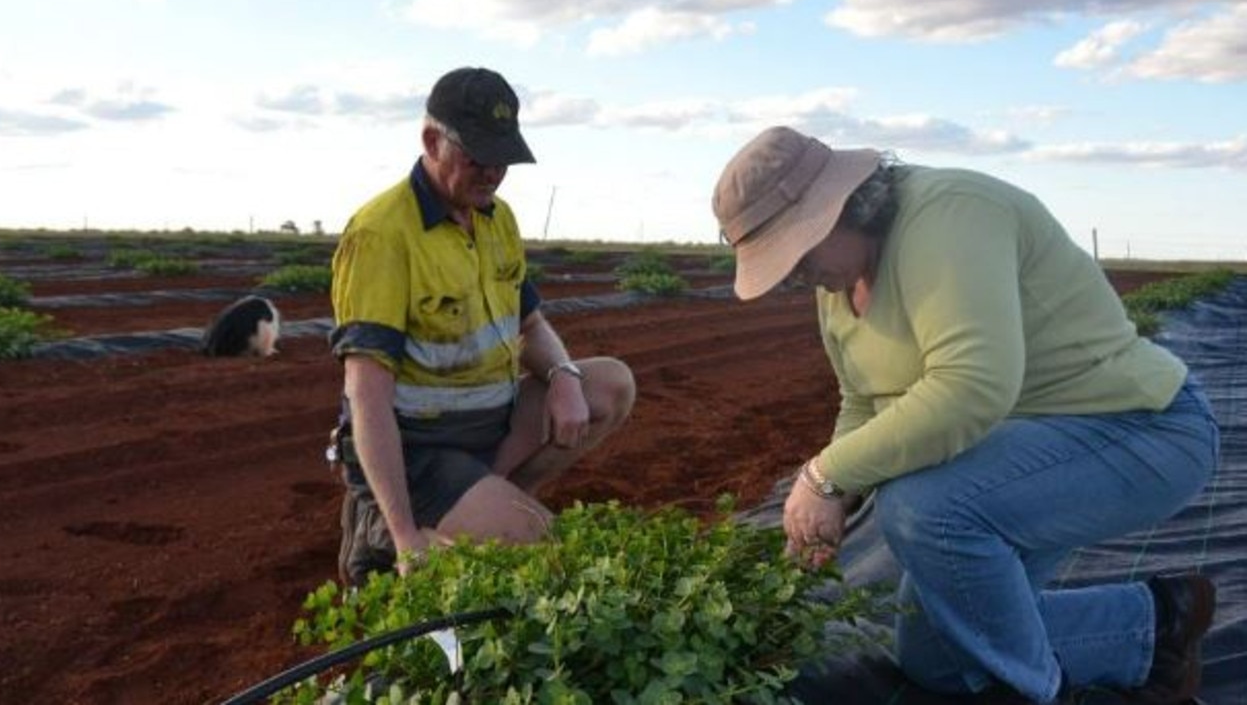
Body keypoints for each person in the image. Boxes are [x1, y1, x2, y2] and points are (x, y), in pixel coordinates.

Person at [711, 126, 1219, 704]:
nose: (795, 277)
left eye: (796, 255)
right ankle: (1156, 623)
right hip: (1026, 452)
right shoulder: (839, 281)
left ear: (841, 209)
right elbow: (863, 400)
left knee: (926, 507)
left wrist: (822, 475)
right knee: (937, 661)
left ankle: (1038, 693)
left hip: (1139, 430)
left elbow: (972, 387)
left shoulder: (951, 214)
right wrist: (836, 500)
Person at [328, 66, 635, 586]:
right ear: (431, 140)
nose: (493, 172)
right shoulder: (382, 234)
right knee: (545, 553)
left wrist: (562, 377)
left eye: (503, 158)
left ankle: (495, 500)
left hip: (491, 425)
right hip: (421, 447)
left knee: (609, 384)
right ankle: (387, 526)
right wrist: (406, 539)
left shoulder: (498, 218)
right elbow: (368, 394)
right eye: (478, 156)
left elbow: (531, 323)